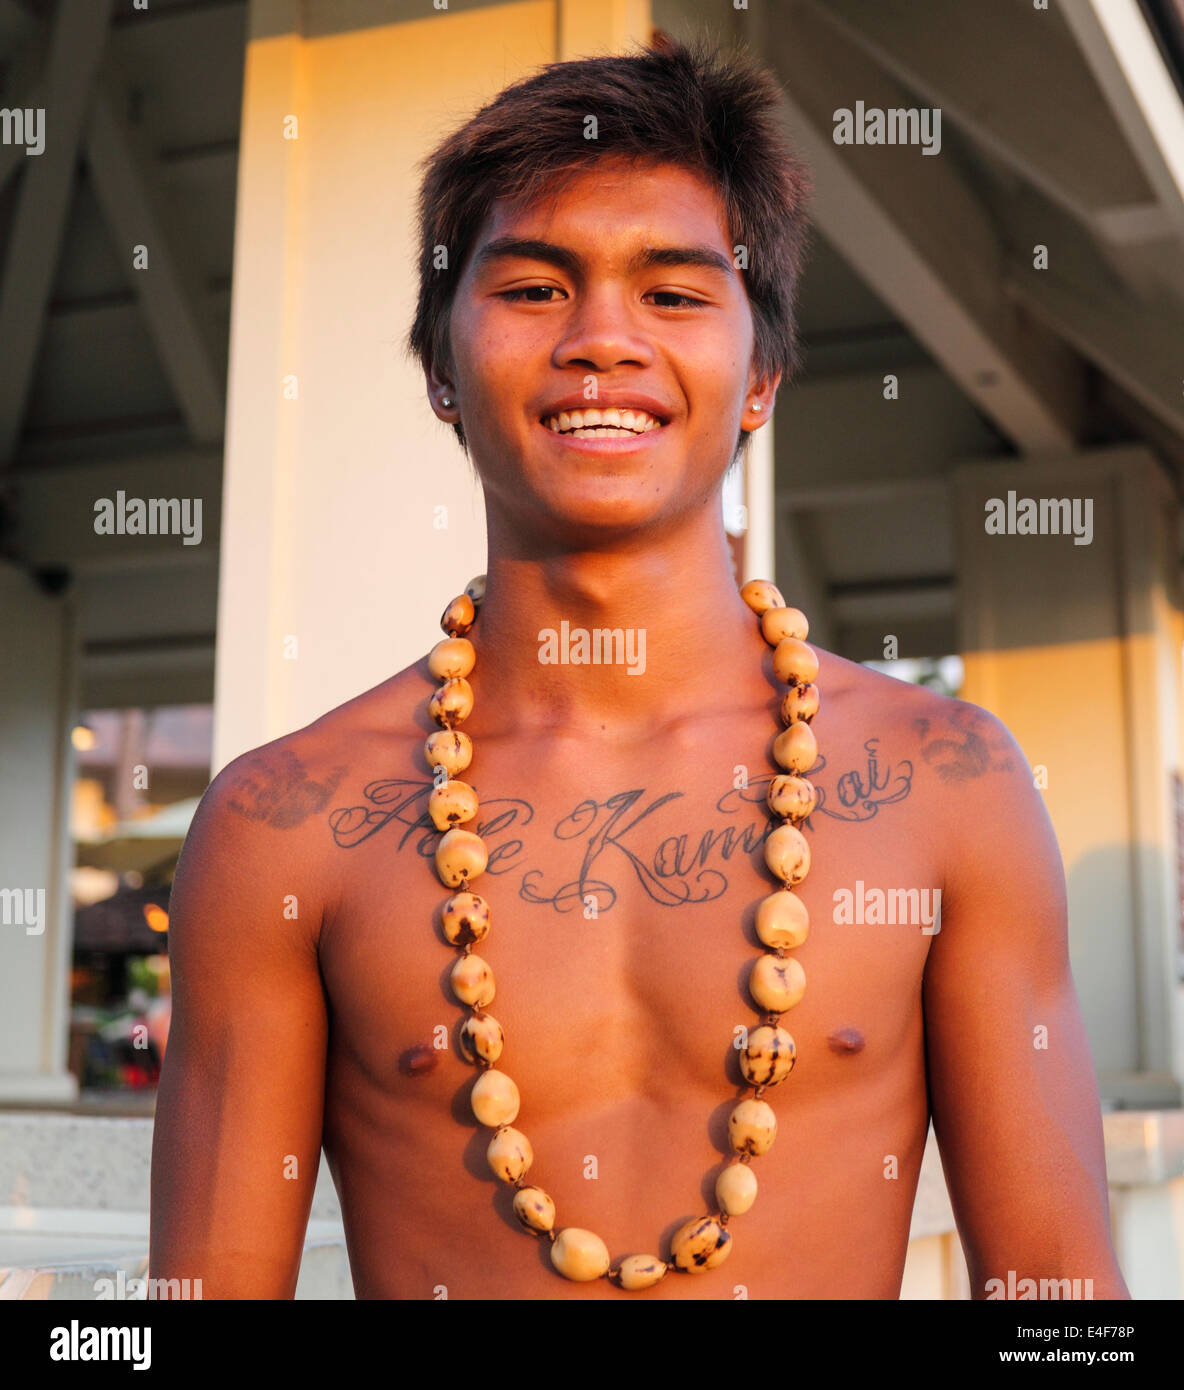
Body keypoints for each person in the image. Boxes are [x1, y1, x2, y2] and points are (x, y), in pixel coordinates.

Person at [150, 36, 1128, 1300]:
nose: (602, 339)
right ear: (440, 369)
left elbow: (1056, 1290)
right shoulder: (286, 822)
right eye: (533, 289)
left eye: (671, 293)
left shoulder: (942, 780)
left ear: (761, 375)